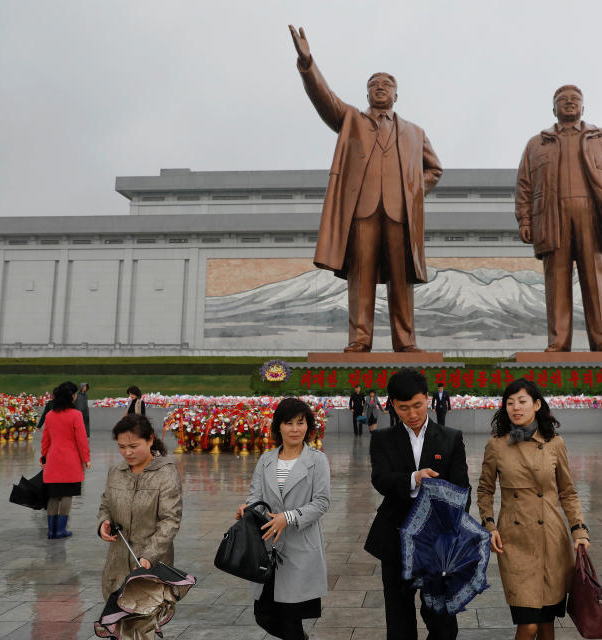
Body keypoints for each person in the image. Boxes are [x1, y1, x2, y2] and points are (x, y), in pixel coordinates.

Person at [289, 25, 443, 353]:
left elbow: (435, 170)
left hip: (400, 214)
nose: (380, 88)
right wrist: (308, 64)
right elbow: (325, 99)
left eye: (386, 84)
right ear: (367, 93)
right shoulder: (352, 120)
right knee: (361, 277)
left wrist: (413, 191)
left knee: (401, 279)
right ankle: (360, 339)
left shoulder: (415, 132)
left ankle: (406, 341)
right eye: (373, 84)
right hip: (362, 212)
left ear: (396, 95)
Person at [515, 84, 602, 352]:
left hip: (591, 215)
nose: (569, 103)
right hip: (551, 217)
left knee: (596, 278)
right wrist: (525, 220)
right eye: (562, 99)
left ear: (583, 107)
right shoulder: (537, 143)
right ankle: (558, 341)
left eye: (575, 99)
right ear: (554, 108)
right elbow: (524, 184)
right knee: (556, 281)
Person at [478, 379, 589, 640]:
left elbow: (568, 492)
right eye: (510, 402)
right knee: (528, 625)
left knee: (547, 624)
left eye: (522, 401)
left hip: (551, 538)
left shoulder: (554, 443)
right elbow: (484, 491)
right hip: (515, 541)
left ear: (537, 404)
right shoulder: (497, 444)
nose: (515, 407)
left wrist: (579, 530)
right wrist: (489, 525)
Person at [366, 368, 469, 640]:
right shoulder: (382, 439)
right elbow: (381, 479)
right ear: (392, 405)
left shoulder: (450, 438)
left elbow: (463, 489)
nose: (412, 414)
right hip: (395, 537)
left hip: (437, 542)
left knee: (442, 617)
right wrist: (414, 478)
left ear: (427, 398)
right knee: (398, 617)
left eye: (417, 405)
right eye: (403, 408)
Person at [235, 398, 331, 640]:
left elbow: (321, 502)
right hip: (268, 550)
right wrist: (248, 509)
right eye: (289, 423)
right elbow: (255, 496)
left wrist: (288, 517)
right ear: (278, 426)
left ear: (308, 426)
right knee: (263, 614)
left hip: (300, 549)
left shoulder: (317, 460)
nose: (295, 429)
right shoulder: (266, 460)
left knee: (290, 618)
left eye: (301, 422)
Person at [97, 414, 182, 639]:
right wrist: (103, 524)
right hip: (116, 564)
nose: (127, 452)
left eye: (134, 446)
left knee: (141, 628)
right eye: (122, 447)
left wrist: (149, 556)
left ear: (150, 440)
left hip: (148, 569)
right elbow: (105, 504)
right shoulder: (116, 472)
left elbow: (170, 520)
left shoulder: (166, 472)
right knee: (118, 626)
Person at [40, 381, 91, 539]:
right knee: (67, 495)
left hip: (53, 459)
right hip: (71, 461)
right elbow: (81, 440)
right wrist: (86, 459)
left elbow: (45, 439)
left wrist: (43, 457)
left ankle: (51, 530)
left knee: (54, 496)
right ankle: (61, 530)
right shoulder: (76, 415)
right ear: (72, 396)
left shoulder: (49, 415)